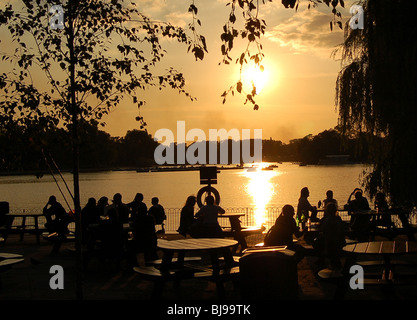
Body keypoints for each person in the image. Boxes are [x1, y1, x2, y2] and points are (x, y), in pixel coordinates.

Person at [319, 203, 346, 269]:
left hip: (329, 245)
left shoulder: (326, 221)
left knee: (318, 242)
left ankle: (322, 259)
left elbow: (323, 231)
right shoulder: (338, 219)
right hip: (340, 243)